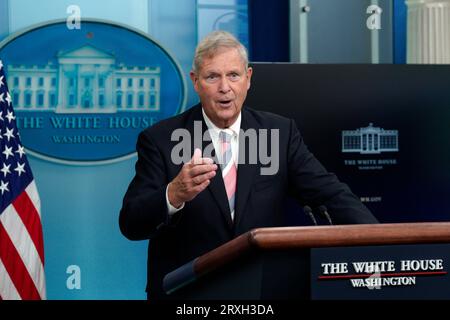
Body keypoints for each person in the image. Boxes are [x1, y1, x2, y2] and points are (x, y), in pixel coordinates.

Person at [119, 30, 378, 299]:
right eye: (212, 77)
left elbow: (330, 194)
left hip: (262, 291)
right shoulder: (161, 140)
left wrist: (381, 241)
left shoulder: (279, 133)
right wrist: (173, 194)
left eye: (233, 75)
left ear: (248, 79)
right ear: (195, 82)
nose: (225, 87)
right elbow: (131, 222)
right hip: (189, 294)